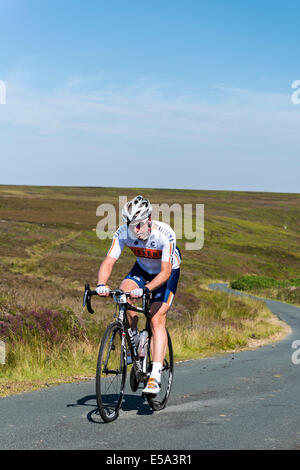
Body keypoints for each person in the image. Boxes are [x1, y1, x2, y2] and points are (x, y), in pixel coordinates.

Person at [96, 195, 181, 395]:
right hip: (142, 269)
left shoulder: (165, 234)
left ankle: (155, 376)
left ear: (149, 219)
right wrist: (101, 284)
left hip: (166, 273)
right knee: (123, 293)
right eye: (131, 225)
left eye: (139, 225)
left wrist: (146, 289)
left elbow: (165, 272)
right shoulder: (124, 232)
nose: (135, 230)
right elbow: (109, 261)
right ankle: (133, 342)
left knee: (156, 318)